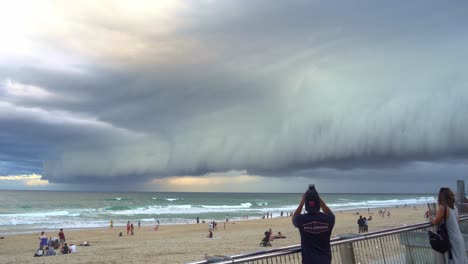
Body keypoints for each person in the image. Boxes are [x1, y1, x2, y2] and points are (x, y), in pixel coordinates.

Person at [293, 186, 335, 264]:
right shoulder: (328, 219)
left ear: (306, 204)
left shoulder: (301, 220)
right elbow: (330, 214)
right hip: (325, 260)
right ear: (318, 203)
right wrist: (318, 199)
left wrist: (302, 201)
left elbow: (294, 217)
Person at [430, 187, 468, 263]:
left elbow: (435, 222)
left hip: (452, 239)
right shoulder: (454, 207)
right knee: (461, 260)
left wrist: (430, 217)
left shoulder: (442, 208)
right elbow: (457, 221)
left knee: (455, 261)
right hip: (459, 237)